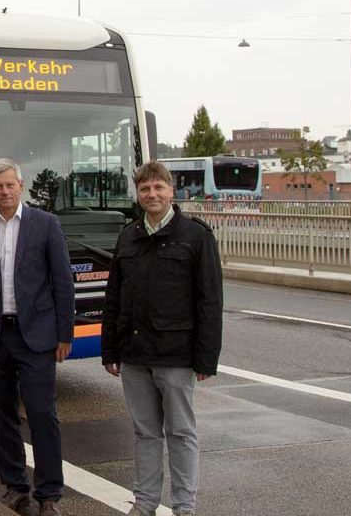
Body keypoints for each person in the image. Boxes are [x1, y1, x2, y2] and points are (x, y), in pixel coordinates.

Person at [101, 161, 224, 516]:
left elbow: (210, 300)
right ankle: (144, 504)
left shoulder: (196, 236)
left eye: (158, 188)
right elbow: (114, 299)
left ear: (172, 191)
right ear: (138, 195)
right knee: (144, 433)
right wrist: (111, 349)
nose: (152, 194)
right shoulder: (129, 236)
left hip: (176, 355)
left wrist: (205, 358)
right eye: (145, 189)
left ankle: (185, 507)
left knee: (181, 433)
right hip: (135, 356)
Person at [0, 158, 75, 516]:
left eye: (10, 185)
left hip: (37, 337)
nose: (5, 191)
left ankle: (49, 494)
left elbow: (63, 282)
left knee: (42, 413)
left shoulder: (46, 225)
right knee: (2, 414)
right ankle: (14, 485)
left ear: (21, 186)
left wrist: (64, 332)